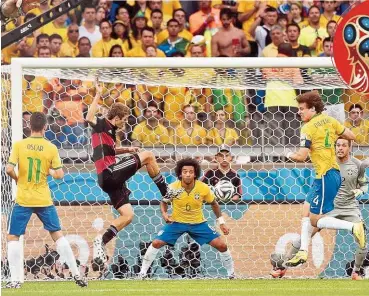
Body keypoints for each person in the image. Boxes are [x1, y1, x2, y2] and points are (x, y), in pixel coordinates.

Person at [86, 79, 181, 264]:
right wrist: (98, 93)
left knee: (128, 215)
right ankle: (167, 193)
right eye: (124, 120)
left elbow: (109, 151)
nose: (124, 124)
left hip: (109, 180)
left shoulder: (110, 133)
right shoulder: (102, 125)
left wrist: (127, 150)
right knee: (148, 156)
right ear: (118, 117)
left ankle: (101, 241)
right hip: (109, 173)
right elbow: (89, 117)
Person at [5, 112, 87, 288]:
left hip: (24, 198)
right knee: (57, 234)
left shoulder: (20, 145)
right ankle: (76, 274)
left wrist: (18, 178)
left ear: (29, 126)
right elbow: (59, 175)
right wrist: (48, 170)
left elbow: (8, 168)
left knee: (13, 237)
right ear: (45, 127)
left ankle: (15, 280)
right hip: (43, 198)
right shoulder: (51, 148)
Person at [283, 91, 366, 267]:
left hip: (325, 175)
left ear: (312, 109)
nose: (299, 112)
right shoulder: (330, 120)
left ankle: (353, 227)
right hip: (327, 175)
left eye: (302, 109)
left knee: (315, 220)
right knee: (305, 212)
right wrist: (331, 138)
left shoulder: (307, 128)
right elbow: (351, 136)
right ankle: (303, 252)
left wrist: (288, 153)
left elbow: (301, 156)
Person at [272, 138, 368, 280]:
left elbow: (364, 183)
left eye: (343, 145)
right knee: (304, 236)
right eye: (338, 145)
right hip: (329, 207)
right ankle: (281, 268)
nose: (340, 148)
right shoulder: (328, 164)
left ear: (350, 147)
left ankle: (356, 272)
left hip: (350, 209)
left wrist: (362, 191)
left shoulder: (357, 164)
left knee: (363, 242)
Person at [139, 158, 235, 279]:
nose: (188, 174)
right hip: (177, 223)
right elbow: (163, 202)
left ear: (195, 174)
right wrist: (164, 214)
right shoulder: (172, 188)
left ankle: (231, 274)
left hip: (198, 224)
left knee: (222, 245)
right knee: (156, 243)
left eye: (191, 171)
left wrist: (221, 222)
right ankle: (142, 273)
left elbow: (214, 203)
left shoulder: (204, 188)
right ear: (180, 173)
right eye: (185, 171)